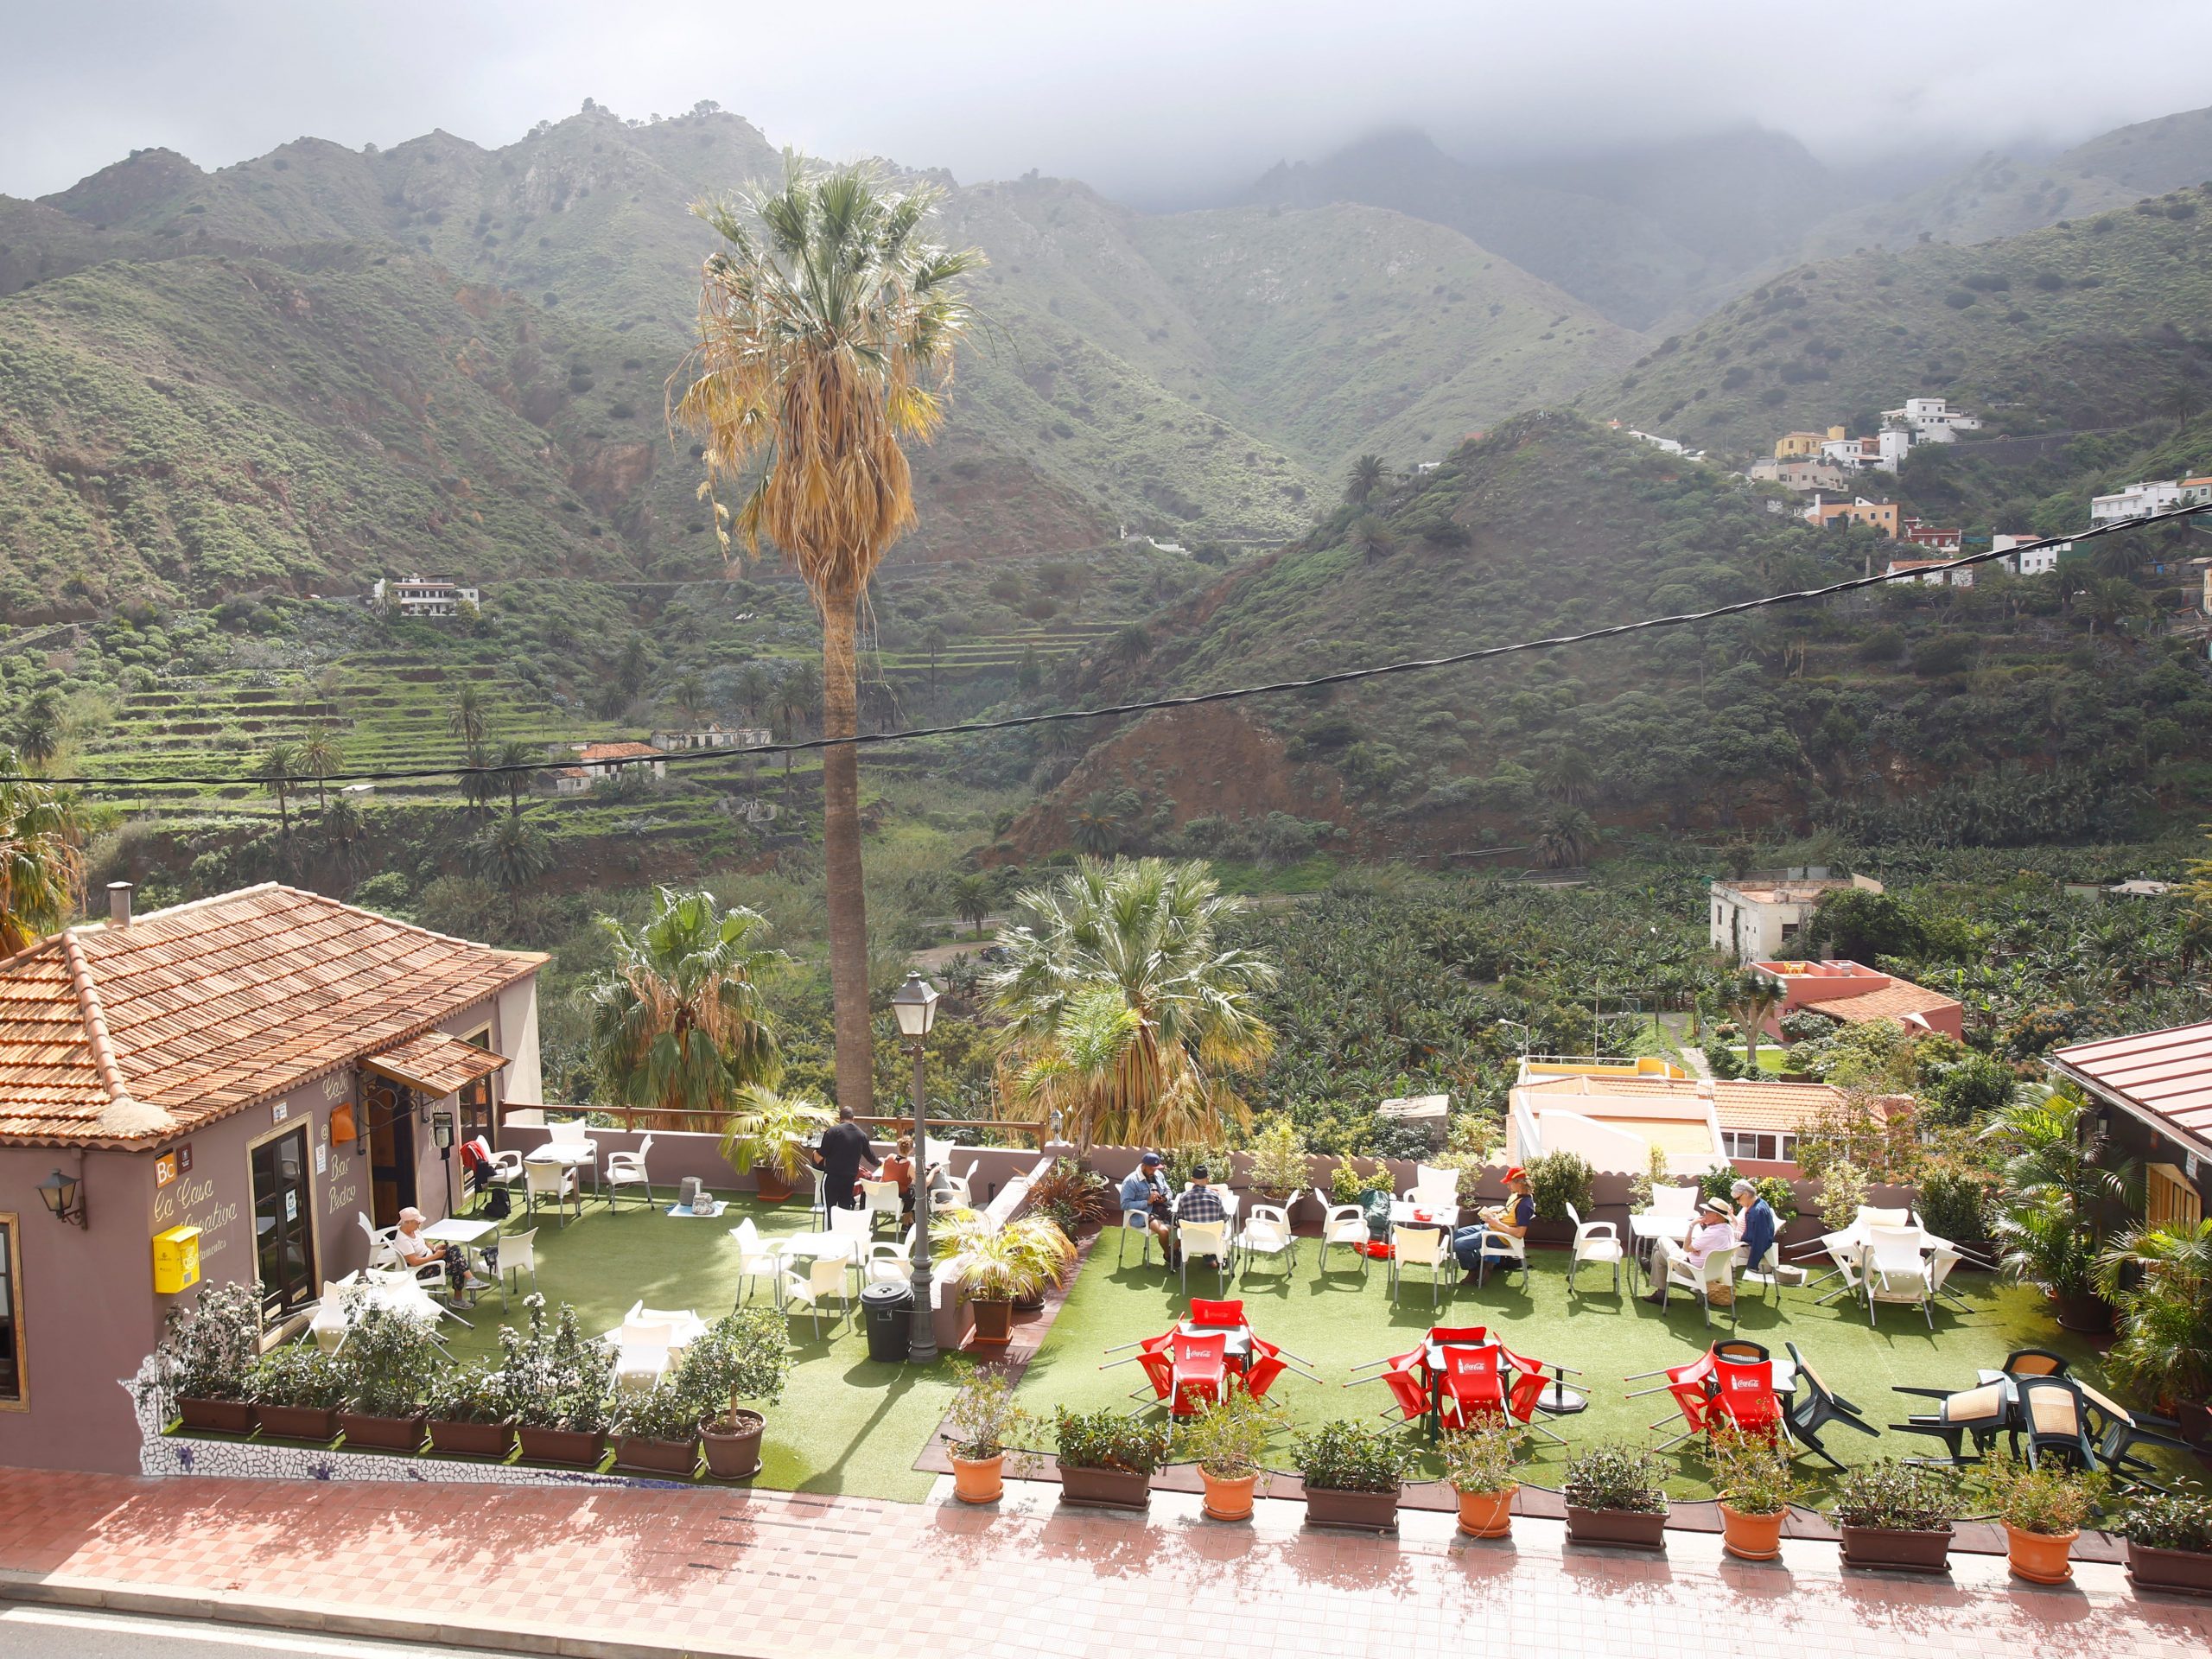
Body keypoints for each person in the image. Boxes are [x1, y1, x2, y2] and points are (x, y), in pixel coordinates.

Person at [1647, 1197, 1737, 1306]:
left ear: (1717, 1215)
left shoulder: (1712, 1233)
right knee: (1658, 1255)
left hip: (1691, 1269)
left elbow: (1686, 1248)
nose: (1704, 1214)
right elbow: (1705, 1245)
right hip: (1713, 1272)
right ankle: (1660, 1295)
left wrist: (1692, 1226)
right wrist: (1695, 1248)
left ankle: (1650, 1267)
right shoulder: (1728, 1229)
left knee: (1662, 1239)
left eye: (1707, 1212)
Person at [1452, 1168, 1534, 1281]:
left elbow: (1519, 1233)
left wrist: (1497, 1223)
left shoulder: (1525, 1206)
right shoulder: (1516, 1195)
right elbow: (1510, 1211)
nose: (1507, 1186)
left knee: (1459, 1245)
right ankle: (1481, 1263)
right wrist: (1498, 1210)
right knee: (1455, 1235)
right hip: (1491, 1228)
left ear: (1519, 1183)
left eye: (1509, 1183)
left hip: (1500, 1237)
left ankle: (1473, 1271)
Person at [393, 1205, 483, 1306]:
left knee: (454, 1249)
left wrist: (435, 1248)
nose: (419, 1223)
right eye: (417, 1221)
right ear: (408, 1222)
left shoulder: (413, 1230)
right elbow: (414, 1262)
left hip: (430, 1258)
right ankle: (460, 1296)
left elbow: (424, 1242)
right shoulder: (403, 1240)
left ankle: (470, 1281)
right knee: (457, 1264)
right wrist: (435, 1256)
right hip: (420, 1270)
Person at [813, 1104, 879, 1211]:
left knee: (830, 1211)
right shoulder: (861, 1135)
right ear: (853, 1119)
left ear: (840, 1119)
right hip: (849, 1180)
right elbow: (871, 1158)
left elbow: (819, 1158)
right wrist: (880, 1163)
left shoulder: (832, 1132)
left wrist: (814, 1153)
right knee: (844, 1211)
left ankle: (830, 1229)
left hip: (832, 1178)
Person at [1172, 1165, 1228, 1273]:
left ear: (1192, 1180)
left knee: (1187, 1228)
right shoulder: (1216, 1196)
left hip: (1191, 1241)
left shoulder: (1183, 1197)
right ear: (1208, 1179)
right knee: (1223, 1226)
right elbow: (1224, 1218)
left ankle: (1185, 1257)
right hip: (1212, 1241)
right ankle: (1213, 1258)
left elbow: (1179, 1220)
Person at [1118, 1151, 1173, 1259]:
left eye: (1156, 1168)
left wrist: (1165, 1198)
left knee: (1182, 1222)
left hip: (1161, 1207)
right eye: (1151, 1168)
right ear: (1144, 1166)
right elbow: (1124, 1205)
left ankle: (1175, 1250)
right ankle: (1169, 1255)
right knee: (1163, 1231)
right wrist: (1147, 1202)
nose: (1154, 1171)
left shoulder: (1158, 1174)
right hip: (1145, 1213)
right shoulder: (1131, 1181)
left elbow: (1168, 1190)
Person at [1732, 1179, 1777, 1276]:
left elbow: (1760, 1239)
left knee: (1720, 1250)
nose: (1738, 1202)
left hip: (1751, 1248)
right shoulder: (1759, 1203)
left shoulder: (1757, 1212)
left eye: (1738, 1199)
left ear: (1746, 1194)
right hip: (1749, 1245)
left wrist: (1753, 1262)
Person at [879, 1135, 917, 1216]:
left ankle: (909, 1220)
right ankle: (908, 1221)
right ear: (911, 1150)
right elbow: (923, 1183)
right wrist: (934, 1171)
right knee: (914, 1190)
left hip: (883, 1196)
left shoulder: (889, 1157)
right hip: (899, 1199)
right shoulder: (909, 1166)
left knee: (910, 1189)